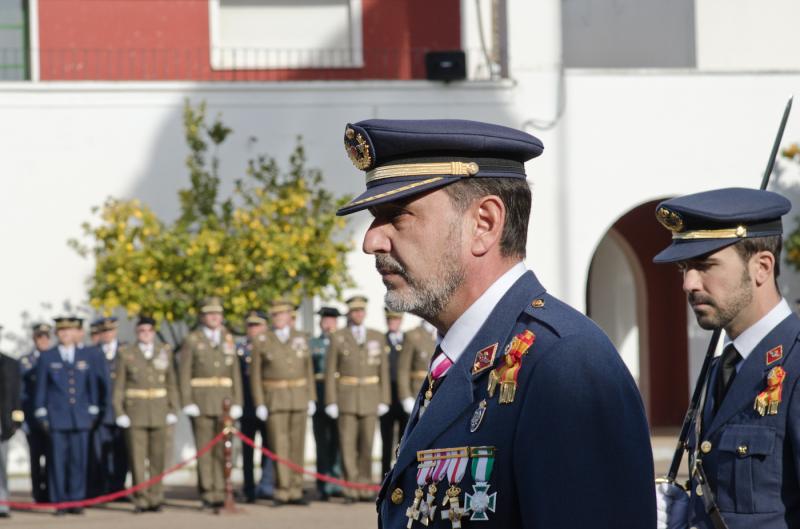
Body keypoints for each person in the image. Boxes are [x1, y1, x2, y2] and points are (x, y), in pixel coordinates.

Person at [336, 119, 655, 527]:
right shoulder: (464, 354)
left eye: (397, 216)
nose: (371, 241)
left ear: (484, 223)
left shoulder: (565, 362)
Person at [652, 188, 799, 529]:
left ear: (762, 267)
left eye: (705, 265)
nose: (689, 283)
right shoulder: (723, 368)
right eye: (685, 268)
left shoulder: (794, 364)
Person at [178, 297, 243, 511]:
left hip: (225, 401)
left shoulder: (228, 339)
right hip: (202, 400)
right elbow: (185, 372)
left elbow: (234, 372)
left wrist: (237, 401)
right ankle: (208, 492)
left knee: (224, 449)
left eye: (218, 314)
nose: (215, 318)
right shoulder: (192, 340)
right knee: (205, 449)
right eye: (210, 314)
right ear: (203, 317)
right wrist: (187, 400)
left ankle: (223, 488)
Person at [324, 295, 390, 502]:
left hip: (371, 396)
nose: (358, 314)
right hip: (347, 396)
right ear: (349, 314)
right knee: (347, 445)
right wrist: (331, 400)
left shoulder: (377, 336)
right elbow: (330, 371)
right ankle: (351, 487)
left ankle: (365, 486)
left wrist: (384, 399)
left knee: (367, 444)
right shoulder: (338, 337)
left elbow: (383, 371)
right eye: (355, 311)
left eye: (361, 311)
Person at [251, 299, 315, 506]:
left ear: (290, 317)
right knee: (280, 446)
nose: (280, 318)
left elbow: (308, 370)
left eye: (283, 314)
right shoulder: (262, 340)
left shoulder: (300, 338)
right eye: (276, 315)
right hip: (275, 398)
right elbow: (255, 376)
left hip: (298, 396)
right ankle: (282, 489)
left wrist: (311, 397)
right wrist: (259, 402)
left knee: (297, 445)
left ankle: (296, 489)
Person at [113, 316, 180, 513]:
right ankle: (141, 498)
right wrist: (120, 411)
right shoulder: (127, 353)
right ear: (137, 333)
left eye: (149, 331)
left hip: (159, 410)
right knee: (137, 458)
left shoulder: (163, 351)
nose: (145, 334)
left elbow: (171, 383)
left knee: (158, 457)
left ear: (153, 332)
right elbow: (119, 387)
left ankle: (156, 496)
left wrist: (172, 408)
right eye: (142, 331)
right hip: (136, 412)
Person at [33, 316, 100, 515]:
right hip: (58, 417)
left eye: (69, 331)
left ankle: (77, 499)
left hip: (80, 416)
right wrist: (41, 412)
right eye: (61, 331)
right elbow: (41, 388)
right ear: (57, 334)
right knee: (58, 461)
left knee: (79, 460)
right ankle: (60, 501)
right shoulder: (48, 356)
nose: (65, 334)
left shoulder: (86, 355)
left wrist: (93, 408)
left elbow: (92, 385)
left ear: (76, 333)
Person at [237, 310, 275, 503]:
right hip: (246, 405)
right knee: (247, 451)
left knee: (270, 448)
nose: (253, 329)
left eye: (257, 325)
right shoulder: (239, 348)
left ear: (265, 326)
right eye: (250, 325)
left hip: (268, 404)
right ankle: (249, 488)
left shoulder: (272, 346)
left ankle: (266, 485)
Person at [88, 317, 128, 497]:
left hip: (123, 409)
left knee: (122, 450)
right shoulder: (92, 352)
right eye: (104, 332)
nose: (107, 335)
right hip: (101, 410)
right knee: (100, 451)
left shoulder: (126, 350)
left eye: (110, 331)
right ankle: (101, 488)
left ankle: (118, 488)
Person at [310, 306, 344, 500]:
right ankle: (323, 482)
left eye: (332, 320)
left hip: (340, 395)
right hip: (320, 395)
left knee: (340, 442)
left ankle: (337, 481)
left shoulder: (342, 341)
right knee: (322, 442)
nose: (329, 323)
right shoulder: (312, 343)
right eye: (325, 320)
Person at [19, 322, 52, 503]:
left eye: (46, 337)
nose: (43, 340)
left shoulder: (56, 357)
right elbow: (20, 392)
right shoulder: (25, 362)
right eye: (40, 337)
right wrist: (21, 418)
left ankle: (49, 491)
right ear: (34, 339)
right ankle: (38, 493)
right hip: (32, 418)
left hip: (52, 417)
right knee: (35, 456)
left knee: (52, 456)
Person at [380, 308, 407, 476]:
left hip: (404, 396)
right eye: (390, 321)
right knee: (386, 438)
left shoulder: (407, 340)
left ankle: (400, 472)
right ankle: (384, 473)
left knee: (404, 438)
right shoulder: (380, 340)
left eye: (396, 320)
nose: (393, 323)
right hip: (386, 395)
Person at [0, 341, 24, 519]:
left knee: (1, 464)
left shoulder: (9, 363)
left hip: (2, 422)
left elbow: (16, 395)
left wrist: (16, 421)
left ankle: (2, 502)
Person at [397, 320, 437, 417]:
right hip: (419, 391)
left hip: (441, 391)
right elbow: (403, 369)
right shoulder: (412, 335)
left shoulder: (445, 332)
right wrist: (405, 396)